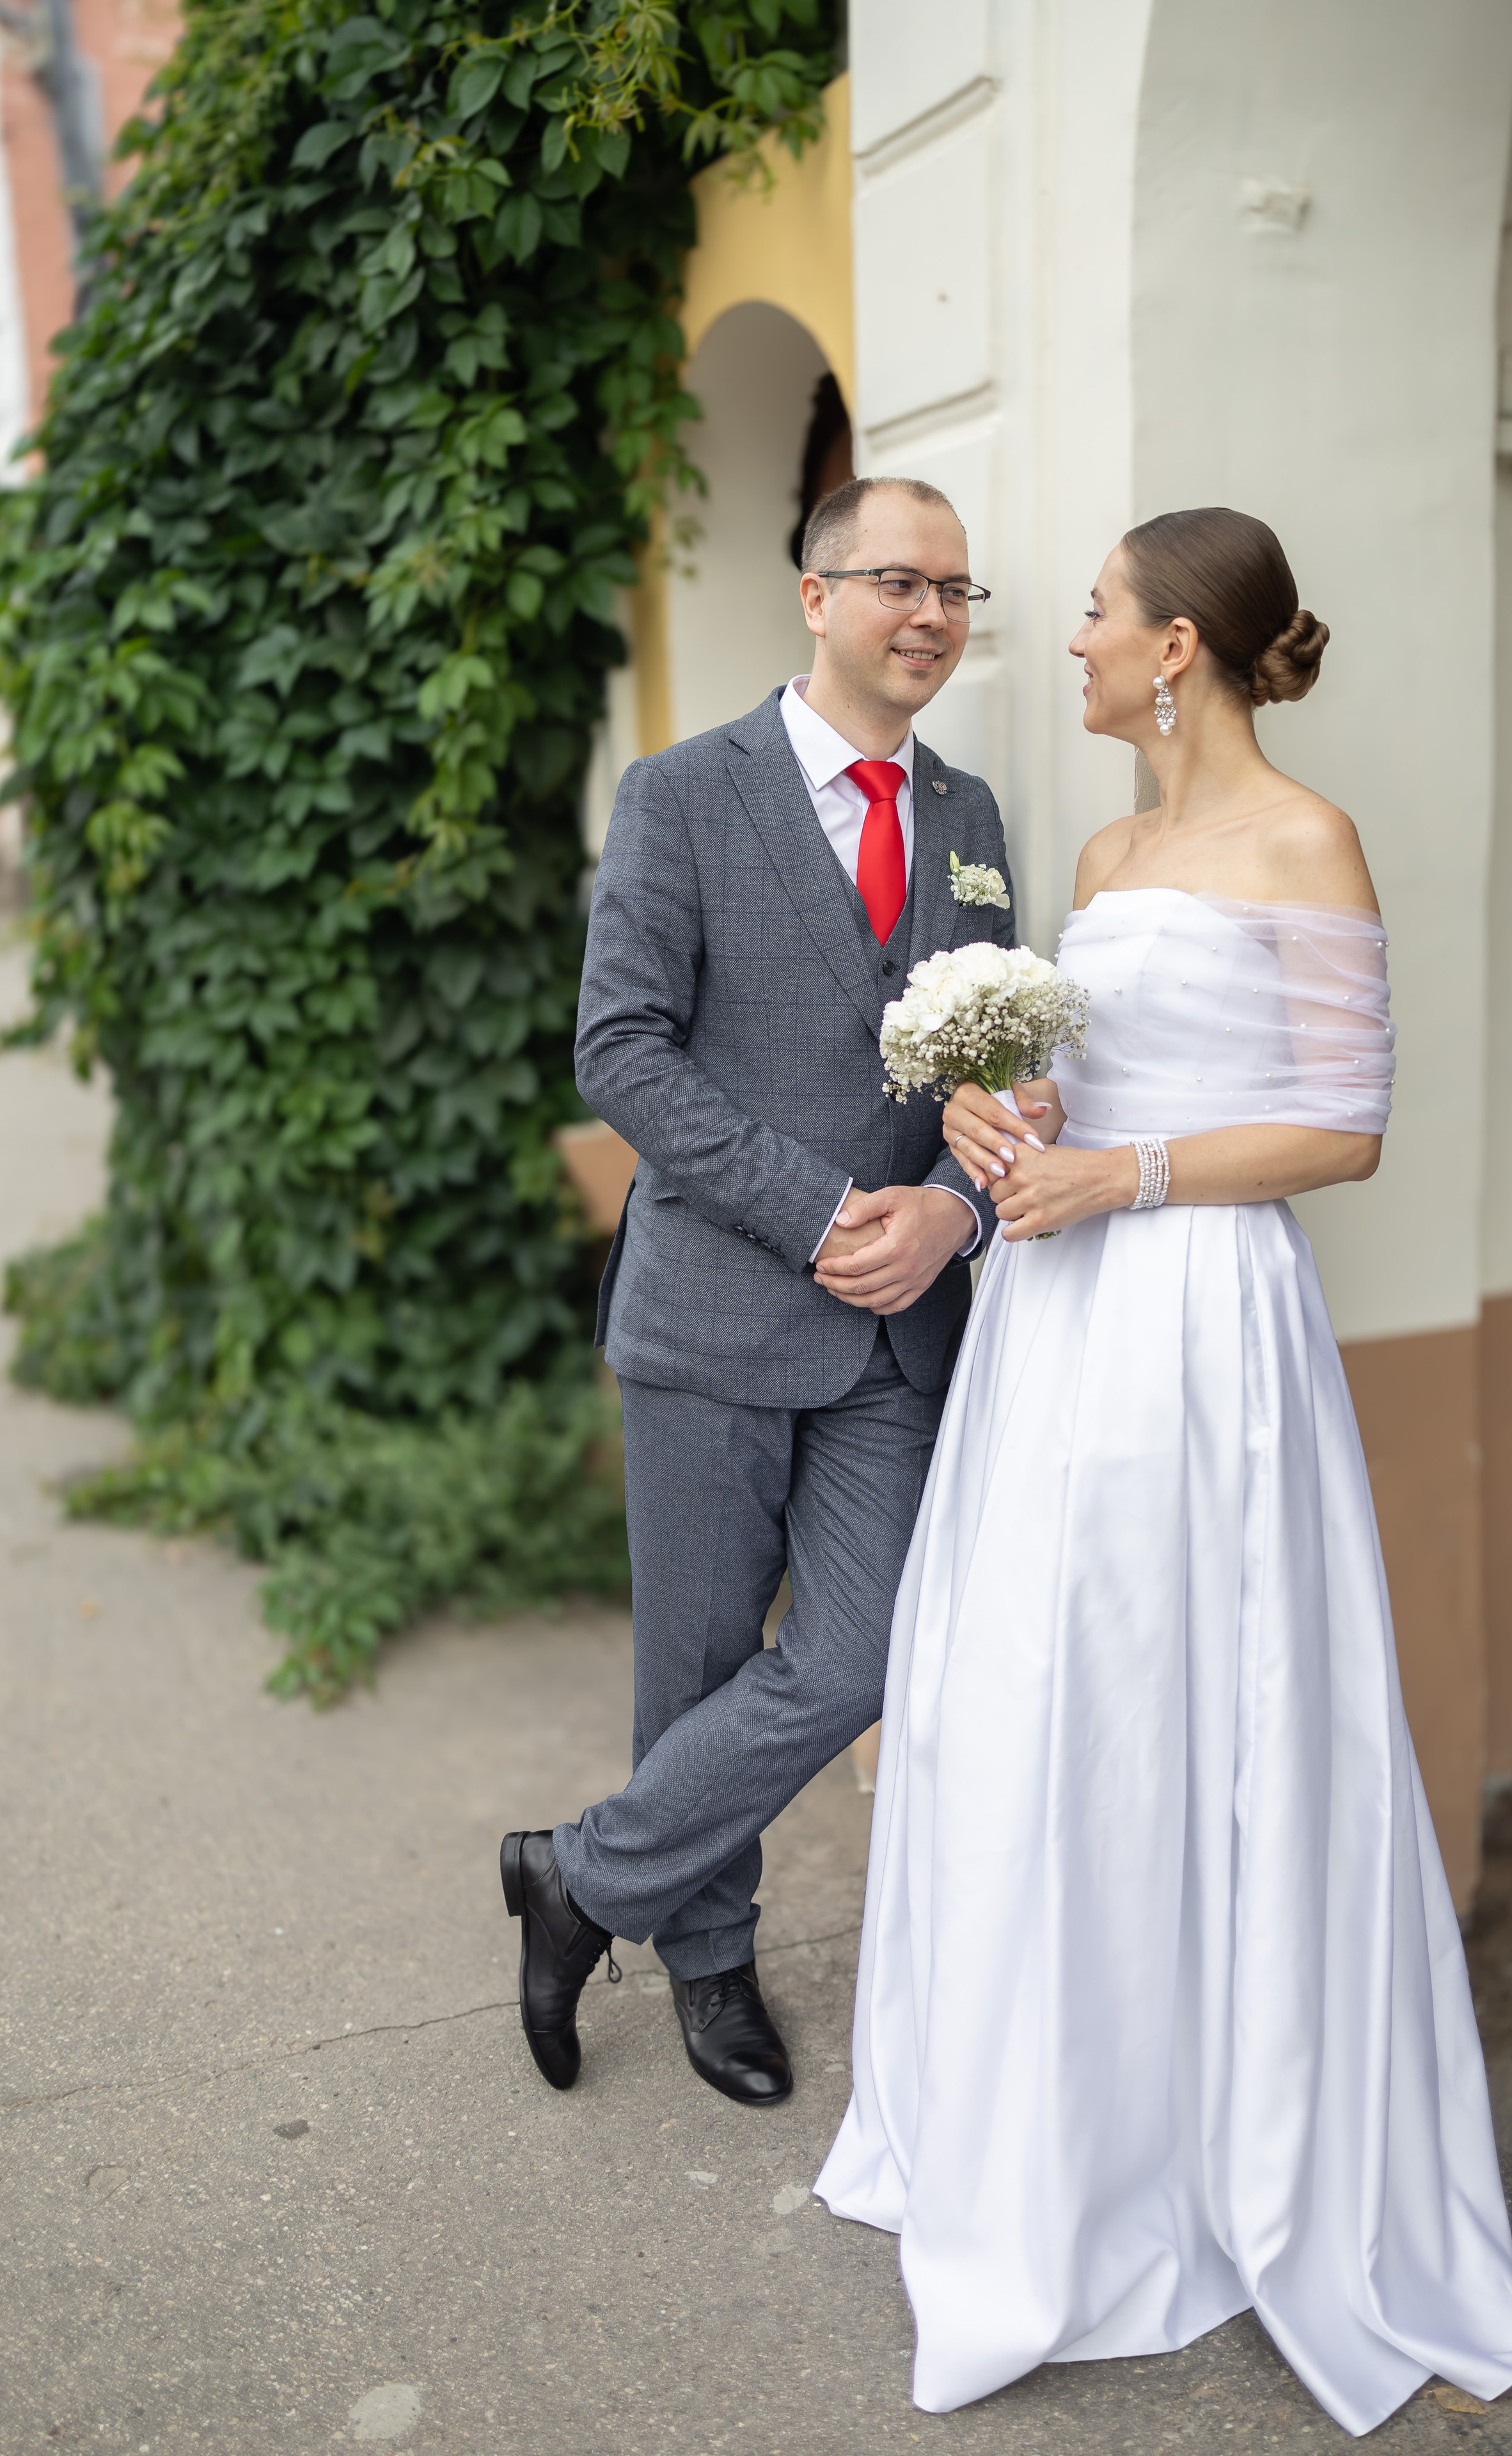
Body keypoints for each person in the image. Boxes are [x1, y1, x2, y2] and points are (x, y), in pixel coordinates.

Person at [815, 508, 1512, 2436]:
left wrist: (1122, 1171)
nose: (1069, 647)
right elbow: (1103, 1078)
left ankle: (1235, 2143)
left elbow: (1343, 1129)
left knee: (1204, 1700)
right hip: (1061, 1314)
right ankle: (1067, 2131)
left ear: (1181, 654)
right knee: (1047, 1702)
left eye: (1096, 622)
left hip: (1206, 1317)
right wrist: (1018, 1111)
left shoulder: (1309, 843)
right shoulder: (1105, 852)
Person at [500, 476, 1015, 2106]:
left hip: (897, 1325)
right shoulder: (679, 795)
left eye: (952, 589)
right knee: (702, 1663)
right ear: (813, 596)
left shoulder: (972, 818)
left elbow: (1000, 1067)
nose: (928, 614)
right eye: (894, 583)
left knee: (865, 1651)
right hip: (720, 1307)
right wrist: (815, 1210)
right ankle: (708, 1965)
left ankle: (580, 1880)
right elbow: (618, 1050)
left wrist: (946, 1210)